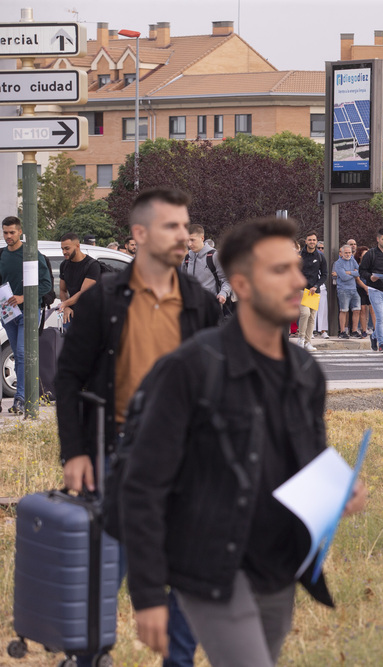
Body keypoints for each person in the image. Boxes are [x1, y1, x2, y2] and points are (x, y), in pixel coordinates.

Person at [120, 216, 367, 666]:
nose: (298, 280)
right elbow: (142, 484)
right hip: (211, 565)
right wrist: (149, 591)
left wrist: (337, 489)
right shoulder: (191, 368)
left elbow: (307, 459)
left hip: (278, 567)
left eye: (296, 267)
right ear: (242, 285)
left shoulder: (304, 371)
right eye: (280, 270)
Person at [55, 187, 220, 667]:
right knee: (107, 569)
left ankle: (179, 660)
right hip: (116, 452)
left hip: (184, 457)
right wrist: (76, 452)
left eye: (186, 227)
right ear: (140, 234)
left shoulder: (199, 304)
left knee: (187, 570)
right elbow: (68, 378)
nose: (184, 236)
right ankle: (88, 655)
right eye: (172, 226)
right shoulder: (105, 298)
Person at [0, 216, 53, 414]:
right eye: (5, 232)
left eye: (12, 232)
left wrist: (23, 297)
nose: (8, 236)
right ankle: (22, 397)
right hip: (7, 314)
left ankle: (20, 399)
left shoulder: (31, 253)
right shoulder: (3, 255)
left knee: (21, 354)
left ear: (20, 232)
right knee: (17, 356)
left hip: (28, 313)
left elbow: (46, 285)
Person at [182, 224, 232, 316]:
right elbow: (181, 281)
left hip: (211, 310)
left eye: (192, 240)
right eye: (187, 240)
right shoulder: (187, 258)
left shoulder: (214, 256)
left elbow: (227, 279)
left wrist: (223, 294)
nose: (189, 244)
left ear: (202, 238)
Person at [58, 232, 101, 326]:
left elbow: (83, 292)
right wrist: (66, 307)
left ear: (77, 246)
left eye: (67, 248)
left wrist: (64, 304)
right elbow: (62, 290)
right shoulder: (64, 265)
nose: (64, 252)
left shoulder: (92, 265)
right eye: (62, 249)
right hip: (71, 314)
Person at [297, 231, 324, 352]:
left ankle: (308, 342)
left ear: (316, 241)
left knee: (312, 317)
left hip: (314, 291)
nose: (312, 242)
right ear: (306, 241)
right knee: (305, 313)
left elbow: (325, 274)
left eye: (314, 240)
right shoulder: (299, 255)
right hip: (301, 290)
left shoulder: (320, 256)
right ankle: (301, 339)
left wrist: (316, 285)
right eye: (310, 240)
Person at [334, 244, 364, 338]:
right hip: (343, 290)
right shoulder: (338, 263)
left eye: (349, 253)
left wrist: (349, 272)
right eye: (346, 253)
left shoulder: (352, 260)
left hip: (353, 289)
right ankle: (342, 331)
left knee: (357, 310)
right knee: (344, 310)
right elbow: (343, 277)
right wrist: (353, 273)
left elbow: (360, 272)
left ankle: (354, 331)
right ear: (342, 253)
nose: (348, 254)